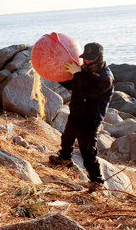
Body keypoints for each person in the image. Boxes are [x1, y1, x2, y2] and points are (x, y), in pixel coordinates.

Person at [49, 42, 114, 192]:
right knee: (67, 137)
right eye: (85, 58)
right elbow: (74, 86)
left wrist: (78, 73)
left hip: (91, 119)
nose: (86, 61)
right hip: (77, 113)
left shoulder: (105, 77)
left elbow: (88, 91)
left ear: (99, 58)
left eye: (90, 59)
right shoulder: (84, 69)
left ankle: (97, 182)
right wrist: (57, 76)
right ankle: (65, 158)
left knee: (88, 151)